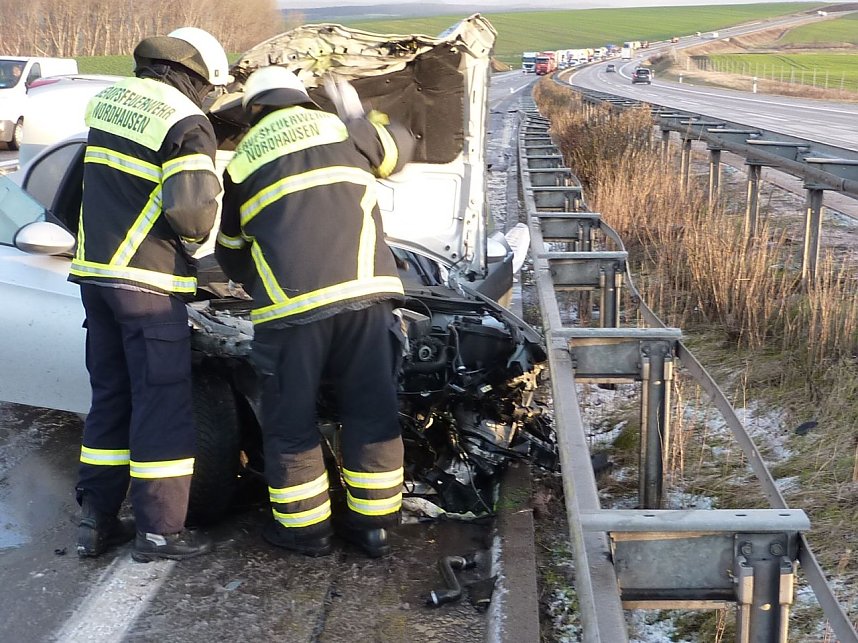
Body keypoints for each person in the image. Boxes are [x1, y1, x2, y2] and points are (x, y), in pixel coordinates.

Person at [215, 66, 415, 558]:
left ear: (253, 109)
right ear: (302, 98)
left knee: (291, 423)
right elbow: (402, 146)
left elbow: (230, 251)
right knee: (371, 411)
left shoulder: (241, 162)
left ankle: (306, 532)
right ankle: (373, 528)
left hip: (291, 313)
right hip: (367, 297)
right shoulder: (342, 130)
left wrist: (257, 280)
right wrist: (363, 115)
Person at [68, 27, 229, 561]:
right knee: (162, 407)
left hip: (96, 279)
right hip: (148, 285)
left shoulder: (110, 102)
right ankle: (159, 532)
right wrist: (199, 255)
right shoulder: (186, 120)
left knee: (111, 400)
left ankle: (95, 523)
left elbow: (79, 189)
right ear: (195, 77)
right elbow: (192, 212)